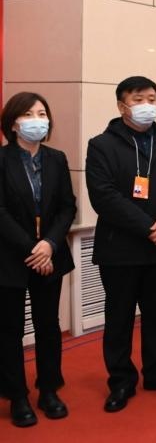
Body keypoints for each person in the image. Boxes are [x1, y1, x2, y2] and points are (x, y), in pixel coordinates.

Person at [85, 76, 156, 413]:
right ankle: (121, 380)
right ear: (122, 106)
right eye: (138, 99)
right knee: (119, 316)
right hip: (120, 248)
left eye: (151, 98)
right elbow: (103, 196)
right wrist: (147, 226)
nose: (147, 105)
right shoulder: (101, 145)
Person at [0, 92, 76, 428]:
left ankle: (48, 389)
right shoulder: (2, 159)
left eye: (42, 113)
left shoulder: (56, 158)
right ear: (13, 123)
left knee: (48, 326)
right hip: (10, 257)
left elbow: (67, 206)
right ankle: (16, 394)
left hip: (50, 254)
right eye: (29, 114)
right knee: (10, 329)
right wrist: (33, 249)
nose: (37, 120)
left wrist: (49, 244)